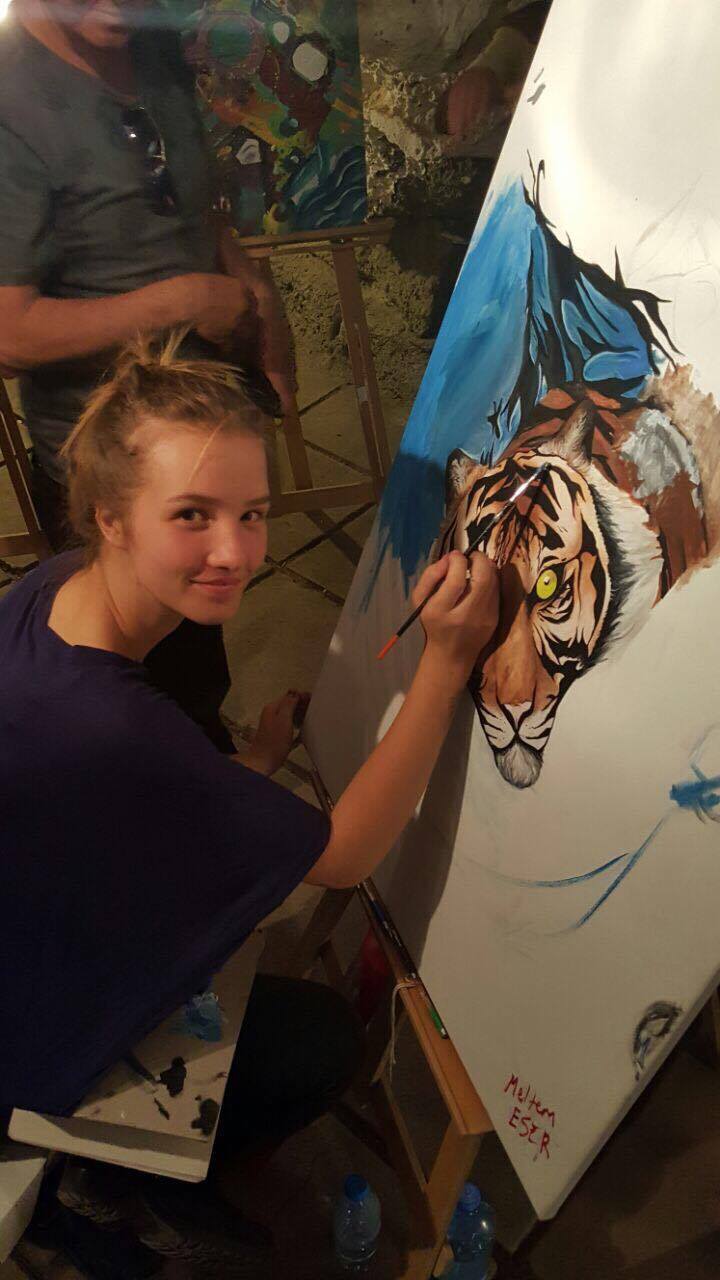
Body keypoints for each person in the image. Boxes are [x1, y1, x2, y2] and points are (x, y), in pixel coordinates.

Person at [0, 338, 499, 1270]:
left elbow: (128, 789)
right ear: (110, 516)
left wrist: (255, 761)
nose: (234, 552)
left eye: (252, 513)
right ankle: (107, 1183)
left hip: (29, 925)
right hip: (30, 1035)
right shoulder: (115, 723)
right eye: (191, 514)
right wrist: (446, 661)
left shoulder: (51, 587)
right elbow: (343, 855)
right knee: (322, 1041)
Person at [0, 0, 296, 752]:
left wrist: (252, 296)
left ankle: (213, 769)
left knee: (194, 656)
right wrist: (183, 301)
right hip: (109, 459)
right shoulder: (11, 100)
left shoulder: (153, 50)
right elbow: (10, 332)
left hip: (198, 426)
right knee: (128, 698)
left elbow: (197, 212)